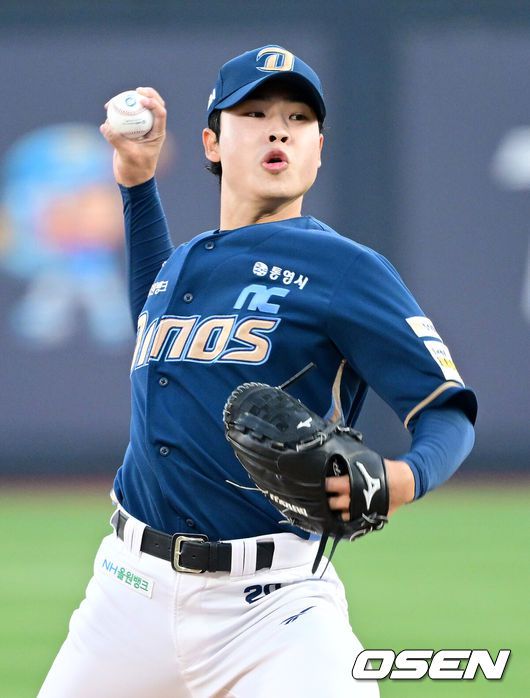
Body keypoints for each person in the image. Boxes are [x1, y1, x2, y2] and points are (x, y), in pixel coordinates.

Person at [38, 45, 477, 698]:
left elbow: (447, 409)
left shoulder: (345, 270)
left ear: (318, 148)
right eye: (255, 113)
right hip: (126, 592)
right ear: (212, 142)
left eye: (299, 118)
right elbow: (153, 322)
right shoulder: (184, 263)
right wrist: (136, 181)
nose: (279, 130)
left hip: (274, 608)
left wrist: (402, 479)